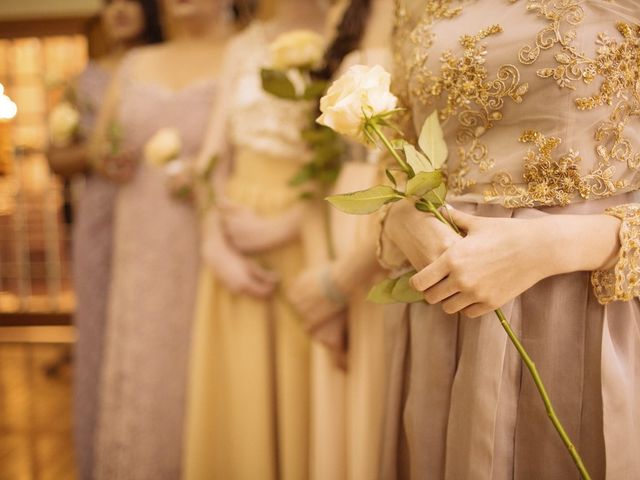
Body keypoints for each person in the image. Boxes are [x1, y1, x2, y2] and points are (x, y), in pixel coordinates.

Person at [380, 1, 640, 478]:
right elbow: (398, 152)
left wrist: (558, 244)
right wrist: (401, 216)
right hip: (447, 317)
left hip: (589, 310)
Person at [182, 1, 336, 478]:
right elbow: (213, 156)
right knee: (244, 394)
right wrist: (214, 241)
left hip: (313, 228)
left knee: (308, 388)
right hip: (236, 237)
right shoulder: (242, 46)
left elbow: (357, 155)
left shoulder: (349, 31)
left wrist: (288, 224)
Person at [88, 0, 232, 477]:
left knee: (202, 358)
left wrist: (210, 175)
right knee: (143, 357)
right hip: (140, 234)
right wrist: (109, 157)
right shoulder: (135, 63)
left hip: (208, 232)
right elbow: (98, 146)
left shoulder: (243, 52)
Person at [46, 2, 162, 479]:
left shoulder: (164, 67)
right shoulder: (82, 82)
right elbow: (56, 157)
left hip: (158, 209)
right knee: (99, 329)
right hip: (99, 216)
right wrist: (92, 156)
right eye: (109, 1)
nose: (118, 10)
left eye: (129, 0)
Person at [286, 1, 395, 478]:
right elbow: (317, 163)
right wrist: (325, 280)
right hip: (337, 214)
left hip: (391, 217)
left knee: (381, 396)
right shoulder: (345, 15)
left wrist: (346, 275)